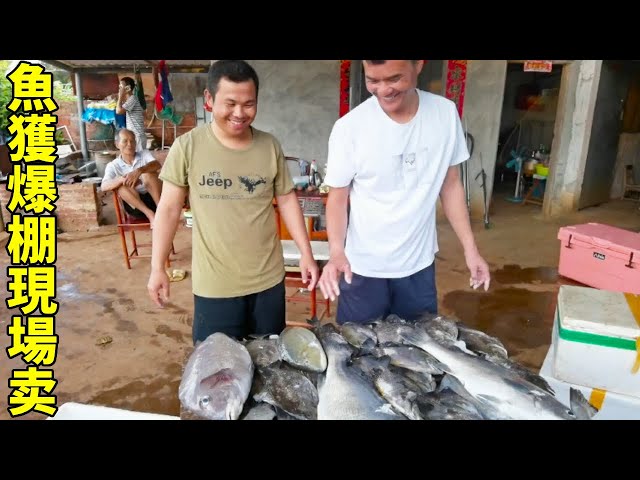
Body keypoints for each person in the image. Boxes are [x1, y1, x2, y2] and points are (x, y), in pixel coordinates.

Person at [147, 60, 319, 345]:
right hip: (215, 286)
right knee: (218, 372)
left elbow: (287, 200)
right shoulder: (187, 146)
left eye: (249, 104)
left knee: (269, 364)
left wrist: (306, 253)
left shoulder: (270, 145)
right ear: (209, 100)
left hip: (268, 281)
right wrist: (157, 268)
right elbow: (168, 209)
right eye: (230, 103)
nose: (239, 113)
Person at [317, 60, 491, 325]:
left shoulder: (444, 114)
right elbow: (337, 200)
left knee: (418, 351)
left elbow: (451, 184)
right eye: (373, 80)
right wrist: (336, 252)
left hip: (418, 267)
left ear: (418, 65)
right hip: (363, 268)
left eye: (394, 79)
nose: (384, 90)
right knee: (360, 353)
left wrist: (470, 249)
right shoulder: (349, 128)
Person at [101, 128, 162, 227]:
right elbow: (104, 186)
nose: (129, 144)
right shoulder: (113, 165)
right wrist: (123, 179)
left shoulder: (144, 154)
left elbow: (157, 165)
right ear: (117, 144)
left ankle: (161, 211)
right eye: (125, 141)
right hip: (136, 207)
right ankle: (150, 215)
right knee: (121, 186)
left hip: (156, 200)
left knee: (148, 174)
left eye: (132, 141)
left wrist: (138, 171)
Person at [116, 76, 147, 152]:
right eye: (119, 86)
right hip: (135, 136)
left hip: (138, 136)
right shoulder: (129, 100)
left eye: (121, 86)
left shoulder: (132, 99)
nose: (119, 89)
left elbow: (118, 111)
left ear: (128, 88)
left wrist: (120, 96)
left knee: (139, 160)